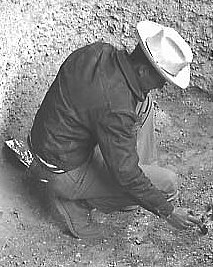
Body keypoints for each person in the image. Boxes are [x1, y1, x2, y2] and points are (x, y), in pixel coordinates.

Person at [28, 20, 201, 240]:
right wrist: (168, 212)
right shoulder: (116, 109)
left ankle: (137, 184)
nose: (162, 86)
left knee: (144, 105)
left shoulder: (99, 52)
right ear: (143, 70)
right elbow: (126, 175)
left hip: (48, 141)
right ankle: (75, 203)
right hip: (61, 171)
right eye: (161, 79)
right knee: (166, 184)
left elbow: (105, 110)